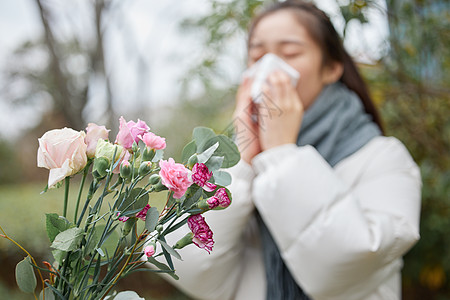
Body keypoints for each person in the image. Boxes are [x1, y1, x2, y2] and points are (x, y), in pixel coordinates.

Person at [160, 1, 422, 299]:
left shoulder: (381, 157)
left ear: (331, 67)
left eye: (290, 53)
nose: (270, 69)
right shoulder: (240, 160)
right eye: (257, 56)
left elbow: (349, 262)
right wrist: (241, 154)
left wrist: (282, 153)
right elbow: (187, 267)